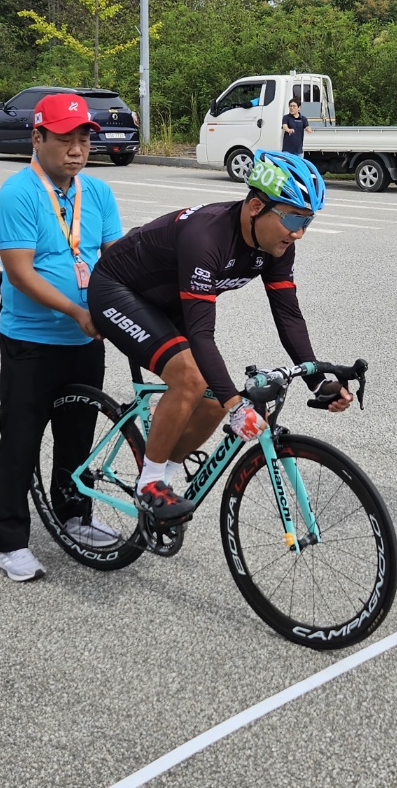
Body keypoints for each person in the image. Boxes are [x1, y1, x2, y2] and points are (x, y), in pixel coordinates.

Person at [88, 149, 352, 526]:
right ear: (256, 207)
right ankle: (148, 485)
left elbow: (288, 315)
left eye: (308, 220)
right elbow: (201, 333)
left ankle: (164, 478)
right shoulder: (207, 236)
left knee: (213, 402)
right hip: (118, 290)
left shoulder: (277, 245)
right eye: (294, 218)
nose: (299, 233)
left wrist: (318, 381)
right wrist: (236, 406)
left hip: (167, 302)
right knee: (193, 380)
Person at [0, 92, 124, 582]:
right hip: (32, 341)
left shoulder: (99, 192)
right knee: (21, 439)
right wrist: (74, 309)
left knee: (77, 437)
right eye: (65, 138)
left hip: (86, 340)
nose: (76, 149)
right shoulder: (18, 193)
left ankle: (74, 516)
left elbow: (115, 259)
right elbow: (20, 273)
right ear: (38, 137)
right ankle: (10, 542)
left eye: (84, 138)